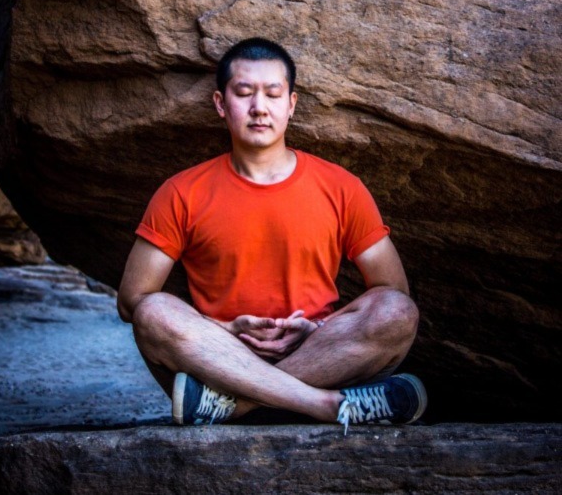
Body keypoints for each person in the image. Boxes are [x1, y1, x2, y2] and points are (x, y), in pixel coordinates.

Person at [117, 38, 426, 431]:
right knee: (153, 312)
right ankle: (325, 405)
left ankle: (235, 406)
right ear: (220, 103)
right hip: (219, 358)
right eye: (244, 93)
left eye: (273, 94)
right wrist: (224, 331)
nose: (259, 107)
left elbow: (393, 288)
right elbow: (132, 302)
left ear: (291, 104)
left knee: (397, 312)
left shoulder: (341, 187)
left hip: (321, 353)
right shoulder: (182, 192)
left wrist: (316, 330)